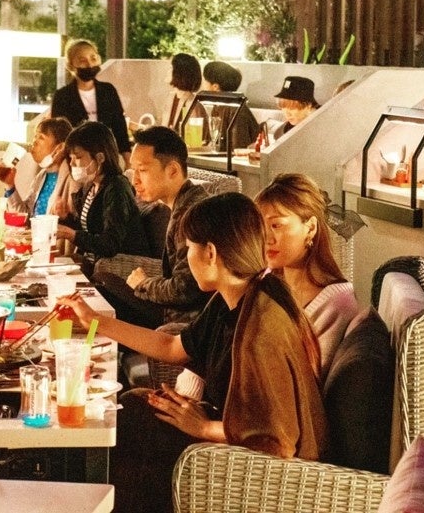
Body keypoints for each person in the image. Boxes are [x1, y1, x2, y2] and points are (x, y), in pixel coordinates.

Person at [58, 192, 326, 513]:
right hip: (229, 438)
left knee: (132, 432)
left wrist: (203, 428)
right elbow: (172, 347)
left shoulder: (262, 327)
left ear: (210, 253)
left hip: (260, 473)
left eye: (188, 249)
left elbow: (276, 439)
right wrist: (96, 321)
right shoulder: (233, 296)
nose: (186, 258)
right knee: (132, 407)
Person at [98, 125, 213, 328]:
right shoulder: (184, 203)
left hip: (185, 323)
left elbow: (185, 289)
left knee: (102, 293)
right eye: (133, 171)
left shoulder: (192, 214)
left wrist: (145, 284)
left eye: (142, 170)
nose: (135, 180)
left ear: (172, 170)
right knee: (102, 283)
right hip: (172, 311)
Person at [255, 173, 360, 380]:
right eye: (260, 226)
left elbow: (306, 383)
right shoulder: (265, 281)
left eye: (276, 225)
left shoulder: (336, 303)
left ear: (310, 228)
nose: (266, 238)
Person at [55, 121, 150, 273]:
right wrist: (66, 218)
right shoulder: (90, 186)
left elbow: (110, 244)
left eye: (77, 157)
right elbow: (88, 231)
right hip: (94, 266)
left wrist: (70, 235)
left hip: (118, 270)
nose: (71, 163)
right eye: (70, 158)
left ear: (100, 158)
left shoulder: (117, 188)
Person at [51, 39, 132, 167]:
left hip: (106, 157)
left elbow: (119, 126)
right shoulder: (62, 96)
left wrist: (127, 158)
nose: (89, 64)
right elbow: (59, 133)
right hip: (75, 160)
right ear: (71, 65)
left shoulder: (108, 91)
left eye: (93, 58)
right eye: (82, 60)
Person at [0, 117, 74, 217]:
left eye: (41, 137)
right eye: (35, 137)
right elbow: (26, 215)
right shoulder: (42, 175)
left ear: (60, 147)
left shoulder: (72, 178)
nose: (34, 142)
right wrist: (10, 185)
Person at [201, 60, 258, 150]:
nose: (202, 85)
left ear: (215, 87)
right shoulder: (218, 106)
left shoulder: (236, 110)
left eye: (205, 81)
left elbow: (238, 148)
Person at [162, 53, 208, 143]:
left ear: (180, 73)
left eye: (171, 68)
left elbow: (194, 141)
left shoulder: (193, 104)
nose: (168, 71)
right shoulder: (172, 97)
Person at [273, 75, 320, 140]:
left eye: (292, 108)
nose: (287, 114)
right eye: (283, 107)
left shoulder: (320, 127)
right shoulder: (284, 130)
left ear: (308, 105)